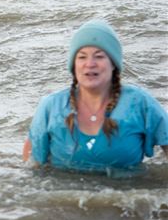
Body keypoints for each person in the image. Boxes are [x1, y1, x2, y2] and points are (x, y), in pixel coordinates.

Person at [23, 19, 168, 172]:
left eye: (99, 56)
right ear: (74, 65)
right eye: (82, 57)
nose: (90, 63)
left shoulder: (140, 103)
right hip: (66, 193)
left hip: (127, 191)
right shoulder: (51, 106)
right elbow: (32, 167)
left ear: (113, 64)